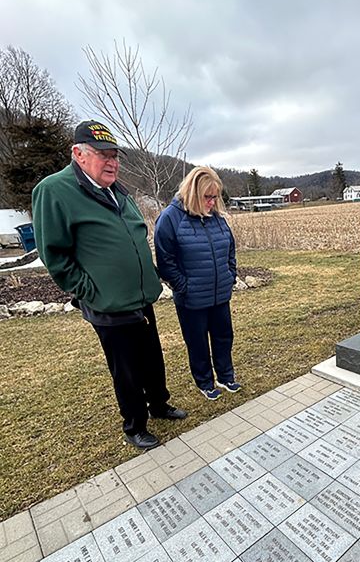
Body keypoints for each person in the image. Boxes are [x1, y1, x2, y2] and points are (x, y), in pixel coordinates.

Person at [31, 120, 187, 450]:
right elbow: (55, 254)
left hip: (140, 295)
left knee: (151, 358)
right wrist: (88, 290)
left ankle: (158, 405)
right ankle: (134, 425)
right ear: (78, 154)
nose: (112, 162)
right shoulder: (55, 190)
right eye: (104, 155)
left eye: (115, 155)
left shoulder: (118, 190)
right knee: (126, 368)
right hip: (108, 303)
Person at [154, 166, 241, 400]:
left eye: (215, 197)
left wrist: (229, 274)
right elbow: (166, 261)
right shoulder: (169, 219)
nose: (212, 202)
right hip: (191, 299)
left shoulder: (216, 218)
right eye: (207, 197)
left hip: (220, 294)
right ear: (193, 193)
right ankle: (205, 381)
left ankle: (226, 376)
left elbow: (229, 249)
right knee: (197, 342)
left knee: (224, 337)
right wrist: (184, 287)